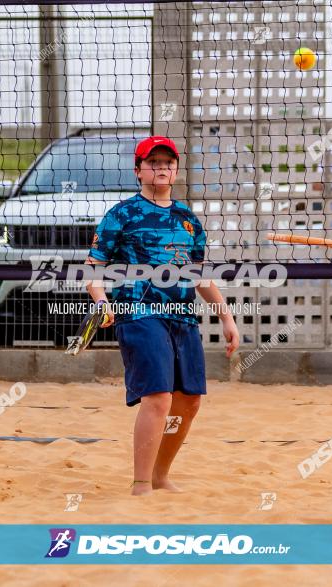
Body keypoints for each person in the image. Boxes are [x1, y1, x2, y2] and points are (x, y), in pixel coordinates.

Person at [85, 136, 240, 496]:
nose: (161, 168)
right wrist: (101, 300)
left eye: (167, 162)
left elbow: (199, 275)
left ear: (176, 170)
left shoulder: (187, 219)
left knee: (189, 401)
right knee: (158, 396)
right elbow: (93, 268)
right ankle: (141, 484)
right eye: (153, 162)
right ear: (138, 170)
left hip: (182, 315)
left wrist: (226, 318)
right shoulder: (121, 215)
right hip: (138, 311)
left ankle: (159, 475)